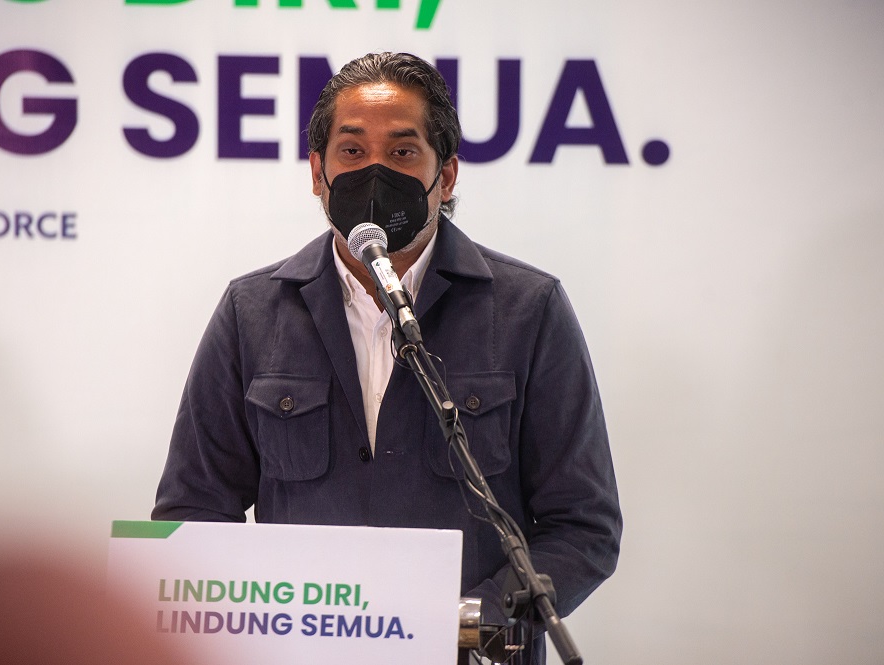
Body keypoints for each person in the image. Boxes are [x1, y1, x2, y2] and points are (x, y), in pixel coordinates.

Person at [152, 51, 621, 662]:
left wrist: (469, 622)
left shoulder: (529, 309)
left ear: (446, 176)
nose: (374, 173)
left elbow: (583, 526)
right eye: (351, 151)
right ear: (317, 173)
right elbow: (193, 511)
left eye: (402, 152)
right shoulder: (251, 312)